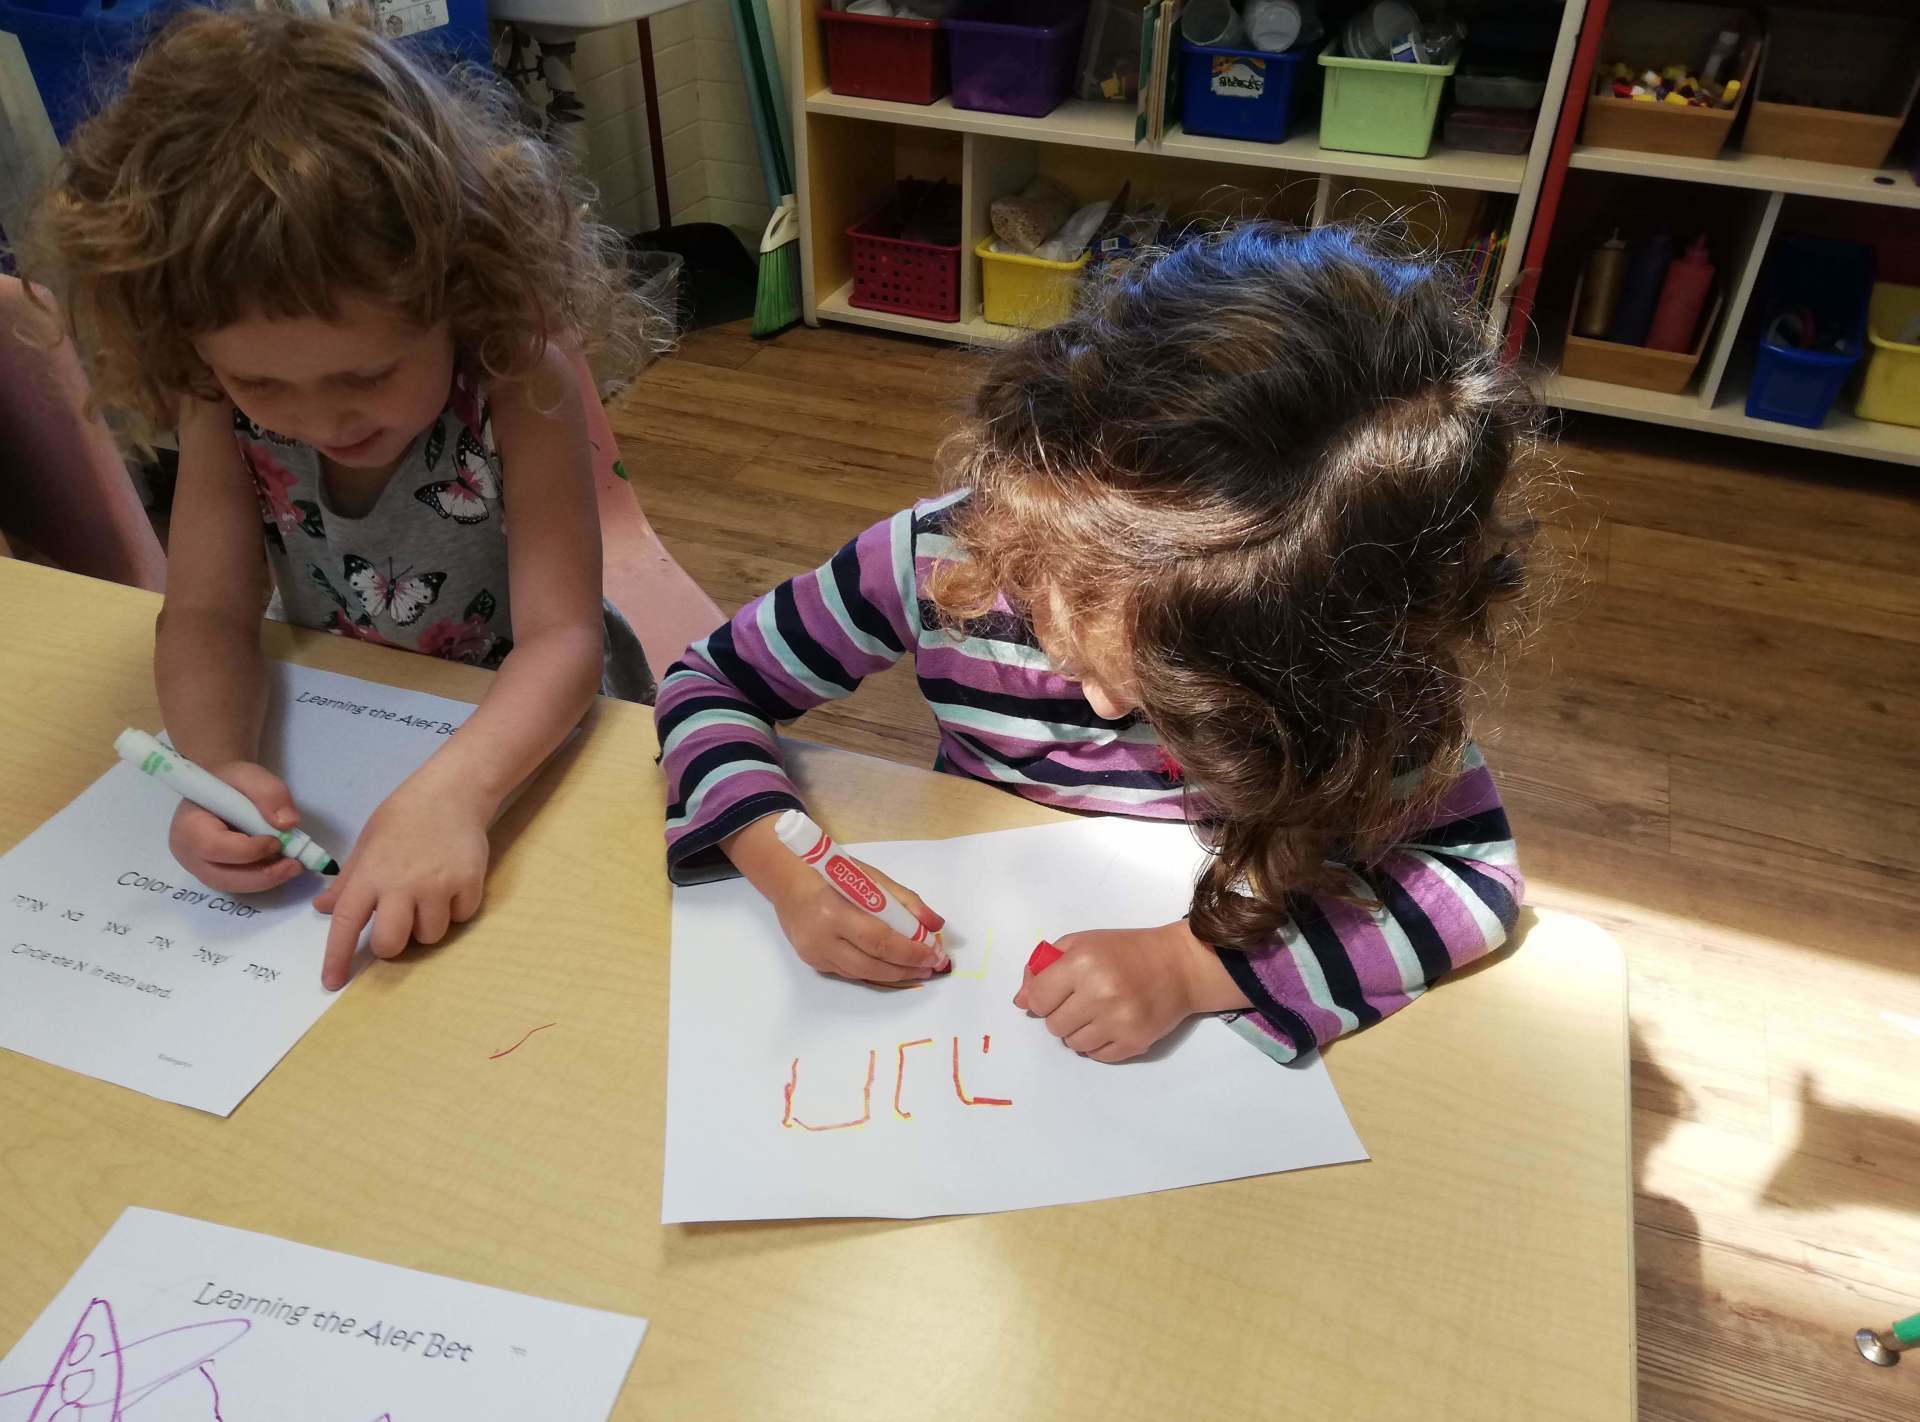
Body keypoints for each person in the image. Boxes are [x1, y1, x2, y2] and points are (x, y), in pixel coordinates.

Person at [658, 224, 1536, 1065]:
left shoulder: (1360, 659)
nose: (1105, 707)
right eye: (1062, 637)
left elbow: (1474, 877)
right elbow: (707, 686)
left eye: (1170, 696)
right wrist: (782, 864)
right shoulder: (936, 558)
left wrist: (1195, 969)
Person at [29, 4, 655, 988]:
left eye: (367, 373)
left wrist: (454, 795)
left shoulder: (516, 372)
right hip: (347, 711)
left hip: (528, 729)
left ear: (457, 287)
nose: (321, 420)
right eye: (264, 383)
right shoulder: (216, 402)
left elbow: (562, 639)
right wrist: (214, 767)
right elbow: (203, 614)